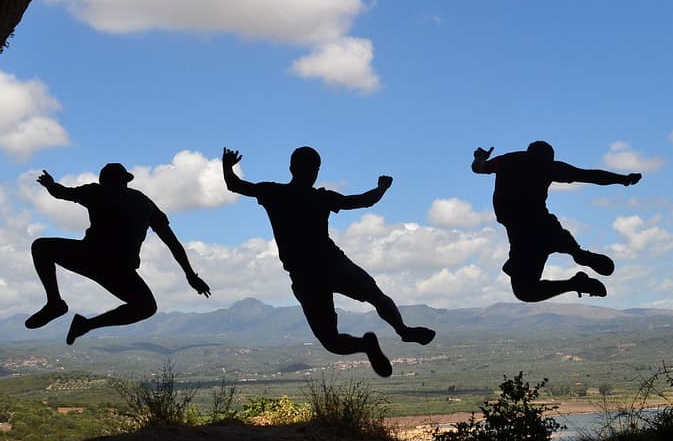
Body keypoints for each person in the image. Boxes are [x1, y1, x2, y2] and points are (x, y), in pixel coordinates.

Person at [222, 146, 435, 378]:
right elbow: (363, 201)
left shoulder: (274, 193)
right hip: (333, 264)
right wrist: (382, 187)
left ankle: (365, 345)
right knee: (376, 295)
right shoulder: (322, 198)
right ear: (316, 171)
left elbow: (235, 185)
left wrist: (227, 166)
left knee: (332, 341)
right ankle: (402, 330)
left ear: (291, 168)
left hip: (304, 276)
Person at [24, 162, 210, 345]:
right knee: (146, 307)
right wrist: (190, 275)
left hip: (92, 257)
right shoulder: (143, 202)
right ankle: (80, 321)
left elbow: (61, 193)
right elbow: (172, 243)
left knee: (41, 247)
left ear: (104, 181)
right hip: (118, 269)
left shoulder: (97, 192)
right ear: (126, 181)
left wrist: (50, 184)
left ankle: (59, 306)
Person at [472, 141, 641, 302]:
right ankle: (578, 253)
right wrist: (623, 179)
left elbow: (478, 168)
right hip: (547, 228)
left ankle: (576, 279)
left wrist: (480, 158)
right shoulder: (548, 167)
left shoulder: (506, 161)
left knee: (525, 291)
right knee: (557, 247)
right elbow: (589, 176)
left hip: (523, 236)